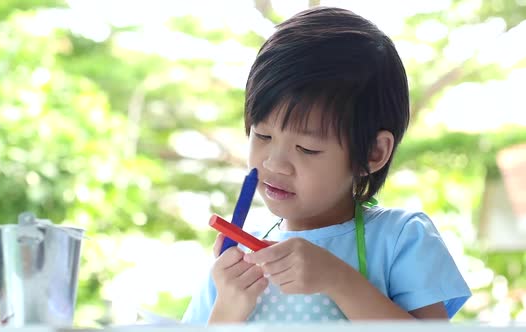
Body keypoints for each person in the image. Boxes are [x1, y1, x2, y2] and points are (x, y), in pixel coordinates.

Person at [182, 6, 471, 324]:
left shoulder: (400, 238)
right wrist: (228, 309)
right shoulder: (234, 261)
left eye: (306, 148)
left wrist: (338, 279)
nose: (275, 164)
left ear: (373, 153)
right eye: (262, 135)